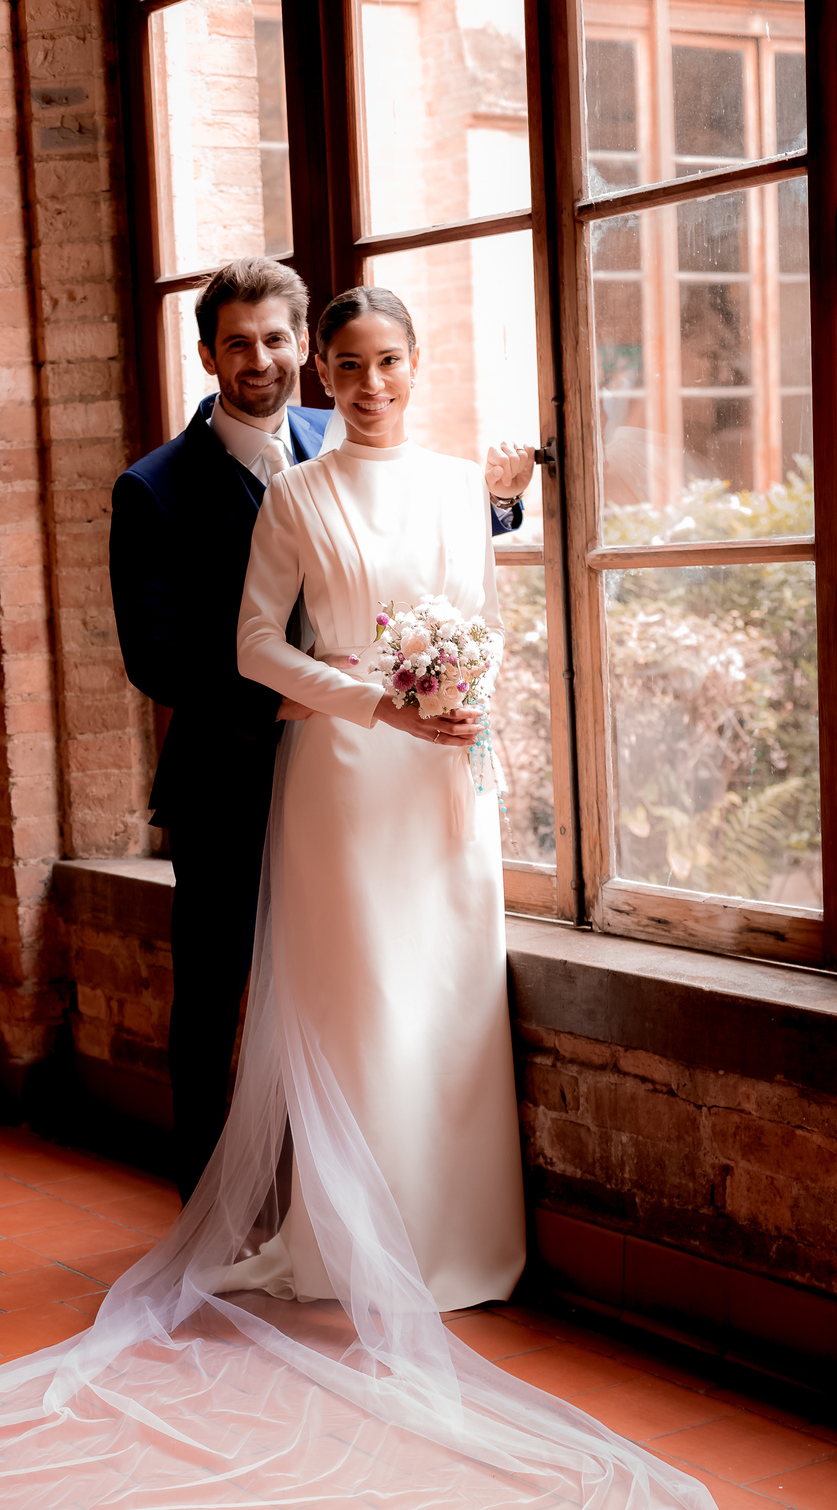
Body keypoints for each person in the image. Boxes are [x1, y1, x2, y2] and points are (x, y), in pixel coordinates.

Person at [0, 289, 734, 1510]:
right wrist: (371, 700)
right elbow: (192, 655)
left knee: (435, 1012)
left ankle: (446, 1234)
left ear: (375, 365)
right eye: (284, 350)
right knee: (263, 1005)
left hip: (433, 783)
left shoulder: (370, 447)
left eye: (346, 355)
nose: (311, 371)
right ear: (214, 356)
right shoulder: (175, 488)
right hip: (291, 775)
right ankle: (245, 1217)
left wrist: (475, 609)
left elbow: (442, 564)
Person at [110, 256, 531, 1199]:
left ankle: (360, 1198)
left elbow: (404, 559)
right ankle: (212, 1204)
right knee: (217, 997)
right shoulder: (154, 489)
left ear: (305, 349)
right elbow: (157, 658)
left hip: (361, 769)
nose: (258, 358)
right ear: (209, 353)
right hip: (231, 769)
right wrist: (286, 698)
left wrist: (499, 506)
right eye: (236, 343)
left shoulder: (339, 425)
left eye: (274, 340)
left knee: (353, 979)